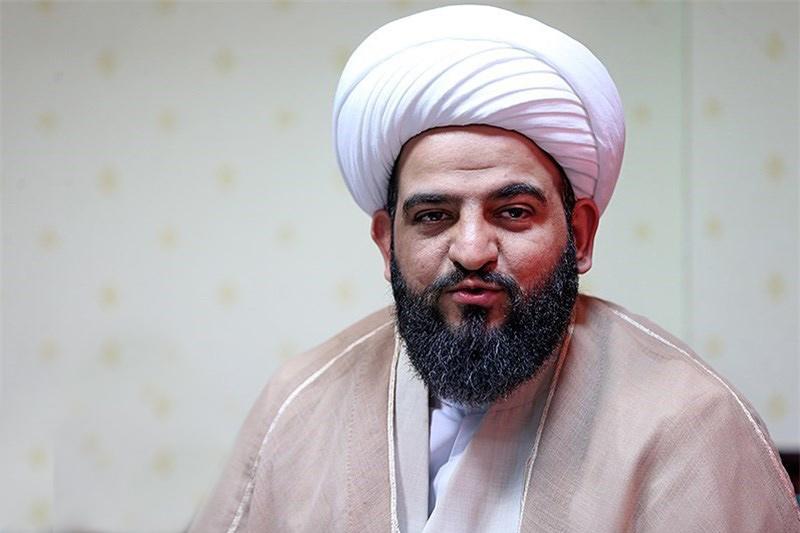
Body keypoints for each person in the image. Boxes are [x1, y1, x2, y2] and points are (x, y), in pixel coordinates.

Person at [190, 5, 799, 532]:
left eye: (512, 212)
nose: (472, 250)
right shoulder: (302, 403)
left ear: (580, 235)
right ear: (385, 244)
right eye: (433, 216)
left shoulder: (688, 425)